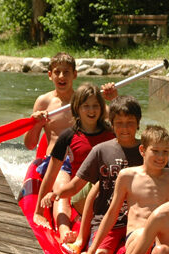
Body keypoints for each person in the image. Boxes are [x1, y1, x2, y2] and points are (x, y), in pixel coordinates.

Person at [53, 95, 150, 254]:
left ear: (138, 124)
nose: (124, 128)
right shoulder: (101, 150)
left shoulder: (148, 152)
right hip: (108, 222)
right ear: (112, 124)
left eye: (130, 123)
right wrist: (56, 193)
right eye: (119, 123)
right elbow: (77, 185)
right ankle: (83, 251)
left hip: (139, 221)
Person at [81, 125, 169, 254]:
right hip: (137, 235)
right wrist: (92, 250)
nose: (161, 157)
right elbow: (112, 213)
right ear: (142, 150)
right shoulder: (128, 176)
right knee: (144, 234)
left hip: (161, 238)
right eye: (156, 151)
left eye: (165, 152)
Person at [32, 83, 115, 242]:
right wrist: (39, 212)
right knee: (66, 186)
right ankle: (64, 229)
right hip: (81, 190)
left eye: (96, 106)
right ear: (77, 108)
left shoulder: (111, 133)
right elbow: (51, 173)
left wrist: (115, 98)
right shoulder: (68, 137)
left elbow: (128, 122)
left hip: (107, 188)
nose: (91, 110)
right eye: (86, 106)